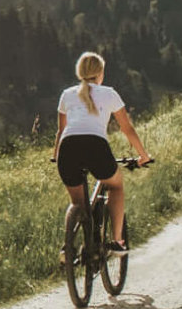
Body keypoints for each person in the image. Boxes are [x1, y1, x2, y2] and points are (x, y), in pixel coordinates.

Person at [51, 52, 153, 253]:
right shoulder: (109, 93)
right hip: (95, 146)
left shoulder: (67, 94)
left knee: (77, 203)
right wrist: (143, 155)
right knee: (115, 186)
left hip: (67, 149)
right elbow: (127, 128)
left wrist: (56, 156)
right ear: (100, 73)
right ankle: (117, 241)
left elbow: (61, 131)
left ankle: (68, 248)